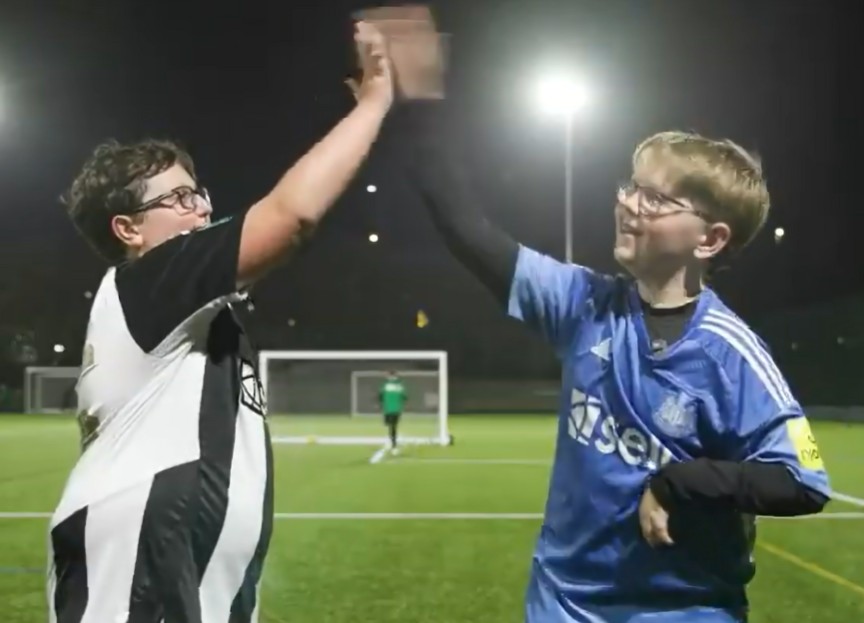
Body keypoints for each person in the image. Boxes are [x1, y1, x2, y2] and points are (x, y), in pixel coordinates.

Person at [372, 8, 831, 622]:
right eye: (629, 185)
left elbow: (804, 481)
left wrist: (677, 481)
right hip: (562, 604)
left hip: (681, 610)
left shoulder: (729, 350)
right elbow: (466, 229)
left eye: (654, 197)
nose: (627, 203)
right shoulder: (583, 304)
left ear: (710, 240)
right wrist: (419, 99)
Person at [48, 22, 396, 623]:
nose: (203, 207)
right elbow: (291, 216)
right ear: (128, 231)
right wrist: (375, 103)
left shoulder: (176, 307)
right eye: (179, 200)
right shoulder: (152, 278)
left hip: (178, 562)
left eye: (199, 192)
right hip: (140, 557)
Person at [379, 371, 407, 450]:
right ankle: (394, 443)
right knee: (394, 426)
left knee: (390, 425)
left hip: (388, 409)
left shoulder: (385, 385)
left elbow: (380, 396)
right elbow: (405, 397)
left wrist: (383, 401)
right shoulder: (399, 386)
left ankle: (392, 441)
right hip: (397, 409)